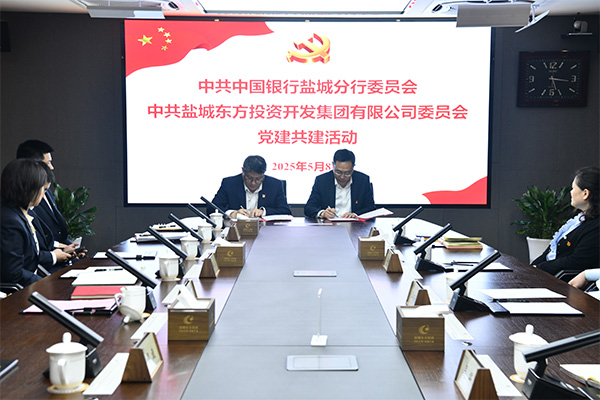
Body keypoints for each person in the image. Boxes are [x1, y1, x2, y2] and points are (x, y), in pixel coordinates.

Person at [0, 159, 68, 287]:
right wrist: (46, 284)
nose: (43, 195)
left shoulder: (20, 214)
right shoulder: (10, 221)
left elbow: (32, 261)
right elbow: (13, 273)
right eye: (42, 188)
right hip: (20, 294)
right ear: (29, 188)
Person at [532, 166, 599, 276]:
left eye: (573, 188)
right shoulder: (576, 216)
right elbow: (551, 249)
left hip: (562, 280)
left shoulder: (596, 227)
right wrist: (532, 267)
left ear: (585, 194)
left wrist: (538, 269)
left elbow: (576, 261)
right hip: (547, 274)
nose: (571, 192)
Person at [17, 139, 73, 245]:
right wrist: (55, 252)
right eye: (47, 163)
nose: (51, 167)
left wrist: (70, 247)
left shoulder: (46, 190)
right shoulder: (25, 199)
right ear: (32, 166)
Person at [209, 155, 291, 218]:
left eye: (258, 179)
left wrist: (264, 212)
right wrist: (231, 213)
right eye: (249, 178)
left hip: (266, 230)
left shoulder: (275, 185)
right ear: (243, 172)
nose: (253, 183)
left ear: (263, 175)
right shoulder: (229, 184)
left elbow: (285, 211)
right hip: (237, 230)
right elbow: (212, 208)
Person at [304, 149, 375, 219]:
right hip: (329, 225)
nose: (342, 177)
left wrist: (355, 215)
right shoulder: (322, 181)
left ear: (353, 167)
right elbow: (309, 208)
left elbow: (371, 208)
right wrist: (322, 213)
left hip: (354, 224)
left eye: (347, 173)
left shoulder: (363, 180)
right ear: (333, 165)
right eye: (338, 172)